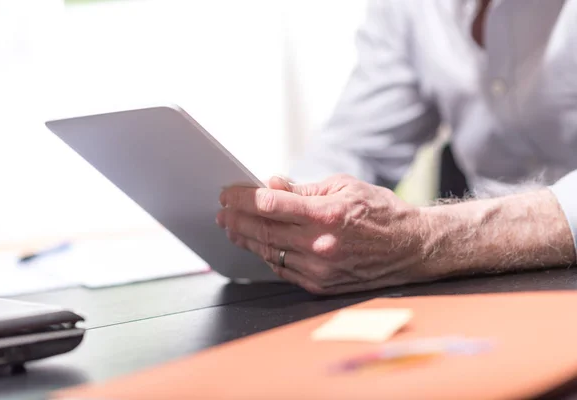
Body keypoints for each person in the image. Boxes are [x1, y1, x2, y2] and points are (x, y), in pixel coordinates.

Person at [215, 0, 577, 294]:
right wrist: (290, 216)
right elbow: (355, 146)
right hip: (488, 288)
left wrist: (426, 239)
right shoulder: (410, 9)